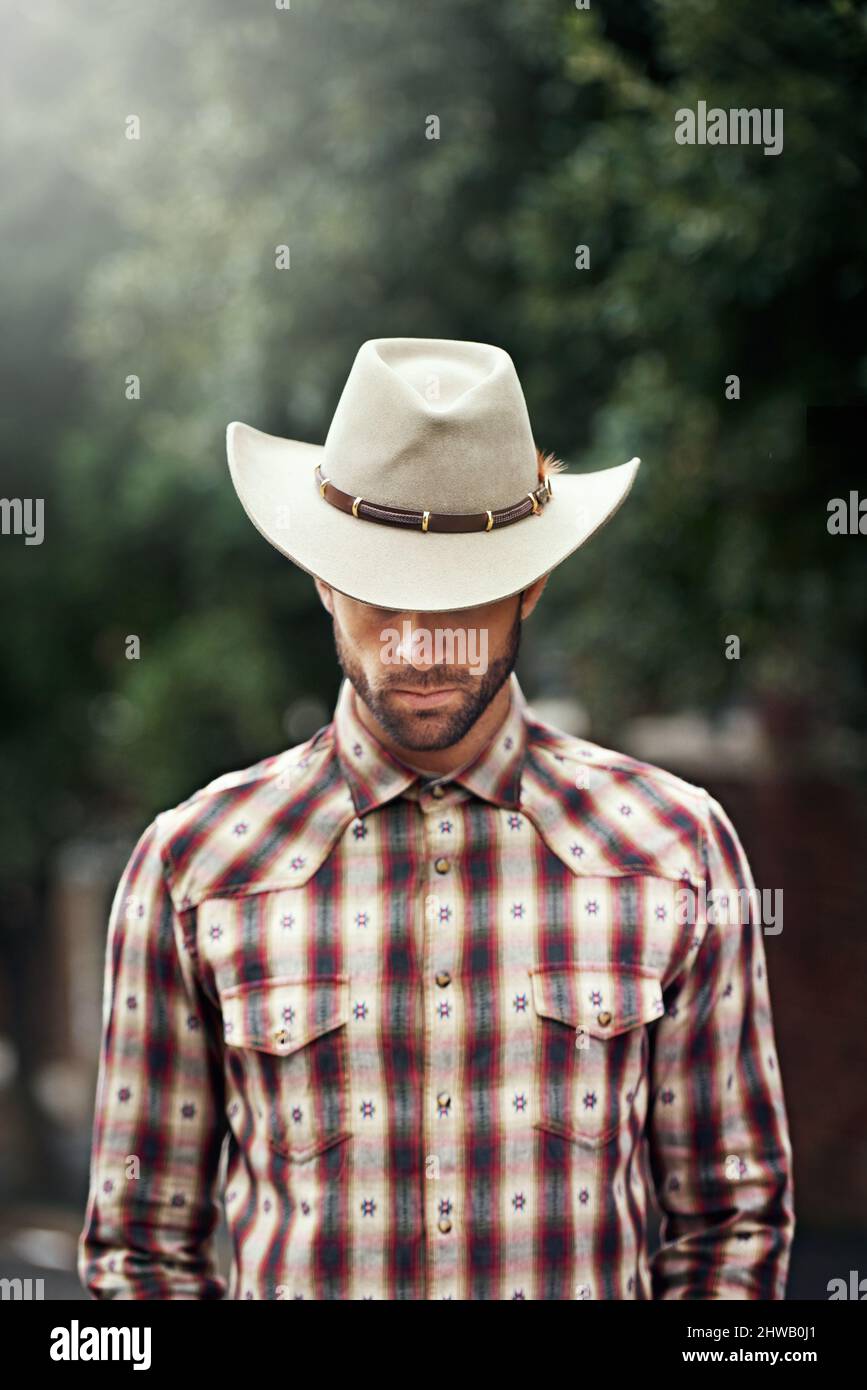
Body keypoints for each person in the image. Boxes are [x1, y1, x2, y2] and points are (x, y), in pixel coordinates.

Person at [78, 336, 795, 1299]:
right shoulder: (194, 865)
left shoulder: (676, 849)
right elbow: (139, 1247)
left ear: (532, 585)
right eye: (381, 596)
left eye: (460, 598)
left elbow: (731, 1218)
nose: (418, 645)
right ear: (323, 579)